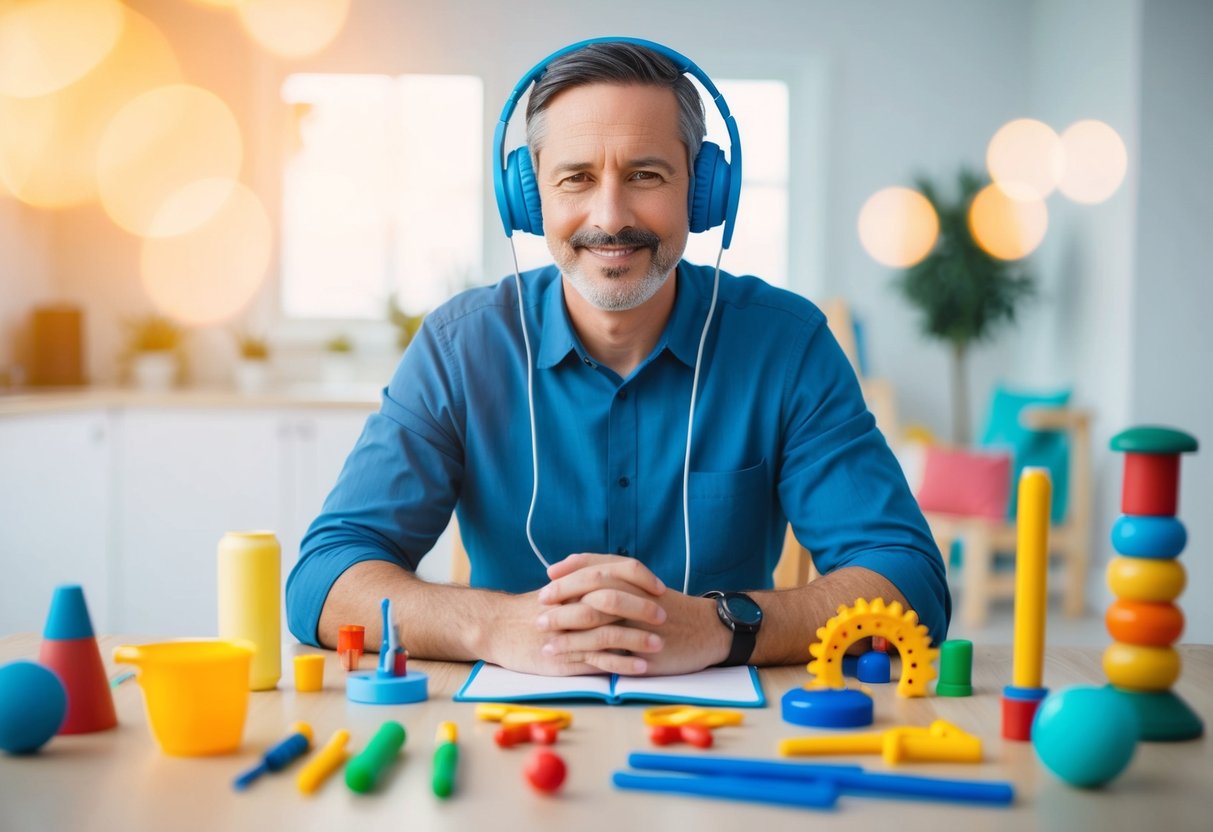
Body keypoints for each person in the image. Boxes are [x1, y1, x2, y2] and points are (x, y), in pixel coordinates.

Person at [286, 38, 949, 677]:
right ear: (529, 197)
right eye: (576, 177)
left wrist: (722, 627)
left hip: (723, 741)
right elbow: (323, 579)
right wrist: (493, 625)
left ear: (701, 190)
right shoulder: (460, 347)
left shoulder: (788, 344)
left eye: (644, 175)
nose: (610, 215)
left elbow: (907, 579)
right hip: (506, 736)